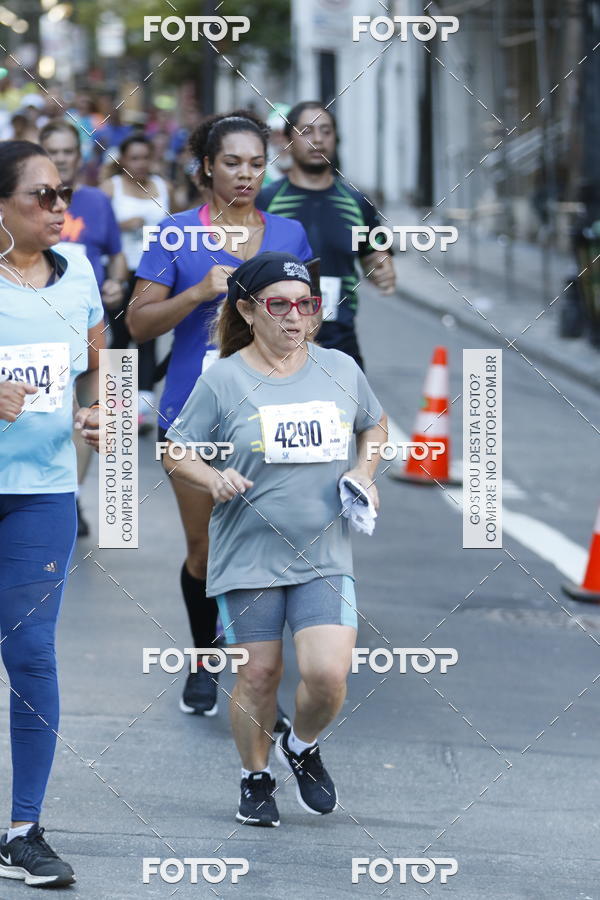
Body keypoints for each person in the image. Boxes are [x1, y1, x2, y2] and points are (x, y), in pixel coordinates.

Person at [161, 251, 387, 827]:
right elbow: (176, 449)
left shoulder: (340, 368)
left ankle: (302, 745)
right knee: (258, 674)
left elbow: (374, 423)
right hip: (248, 555)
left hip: (323, 552)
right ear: (248, 309)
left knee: (327, 675)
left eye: (306, 305)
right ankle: (255, 774)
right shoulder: (224, 378)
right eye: (279, 305)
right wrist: (213, 477)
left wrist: (364, 471)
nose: (295, 318)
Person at [128, 111, 313, 721]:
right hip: (195, 413)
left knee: (265, 549)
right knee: (205, 550)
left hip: (273, 414)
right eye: (232, 162)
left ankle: (256, 679)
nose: (245, 174)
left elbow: (307, 325)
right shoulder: (175, 233)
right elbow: (137, 323)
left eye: (257, 164)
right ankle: (206, 656)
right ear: (207, 165)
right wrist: (198, 293)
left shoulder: (289, 233)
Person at [0, 140, 104, 885]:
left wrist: (101, 410)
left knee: (32, 653)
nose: (59, 206)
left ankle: (24, 830)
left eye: (63, 192)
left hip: (41, 492)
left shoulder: (80, 278)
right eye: (42, 195)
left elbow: (101, 362)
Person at [39, 118, 129, 537]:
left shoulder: (95, 202)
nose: (60, 158)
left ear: (79, 156)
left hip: (88, 324)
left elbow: (116, 257)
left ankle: (69, 497)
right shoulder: (23, 201)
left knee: (93, 412)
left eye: (67, 152)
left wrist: (116, 283)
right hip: (36, 327)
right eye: (52, 151)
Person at [258, 101, 396, 370]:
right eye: (307, 131)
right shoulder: (266, 201)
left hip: (340, 341)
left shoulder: (358, 203)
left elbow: (377, 255)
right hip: (277, 342)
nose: (318, 140)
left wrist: (383, 269)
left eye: (326, 131)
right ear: (287, 140)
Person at [101, 133, 172, 433]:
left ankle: (142, 407)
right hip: (120, 270)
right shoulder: (110, 188)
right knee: (119, 335)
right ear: (123, 161)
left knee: (148, 335)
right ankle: (116, 404)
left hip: (155, 272)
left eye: (146, 157)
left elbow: (178, 223)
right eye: (134, 158)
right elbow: (97, 227)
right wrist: (121, 226)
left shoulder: (163, 187)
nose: (140, 164)